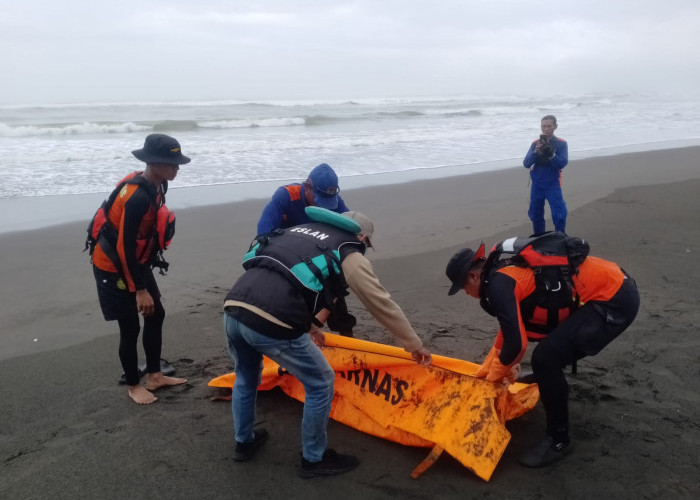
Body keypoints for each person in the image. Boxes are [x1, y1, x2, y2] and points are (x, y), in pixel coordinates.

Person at [223, 211, 432, 478]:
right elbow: (380, 302)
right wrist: (413, 344)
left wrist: (311, 327)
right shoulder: (349, 252)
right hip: (271, 321)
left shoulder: (298, 231)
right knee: (320, 383)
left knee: (246, 376)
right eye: (366, 246)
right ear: (363, 238)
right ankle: (314, 458)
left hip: (233, 309)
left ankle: (244, 442)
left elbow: (290, 280)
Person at [445, 242, 639, 467]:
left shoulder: (498, 285)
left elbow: (516, 346)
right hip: (614, 285)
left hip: (614, 300)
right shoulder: (500, 271)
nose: (466, 294)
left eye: (462, 287)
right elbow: (510, 328)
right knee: (546, 353)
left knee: (545, 359)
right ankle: (547, 379)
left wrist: (493, 379)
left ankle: (559, 440)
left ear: (474, 276)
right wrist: (489, 365)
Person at [91, 133, 189, 405]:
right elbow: (123, 247)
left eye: (177, 162)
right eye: (172, 163)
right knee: (130, 326)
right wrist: (140, 290)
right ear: (154, 163)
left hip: (135, 262)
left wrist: (142, 283)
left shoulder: (156, 185)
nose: (177, 167)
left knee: (156, 314)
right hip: (112, 267)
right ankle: (134, 386)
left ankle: (155, 375)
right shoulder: (136, 197)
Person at [257, 163, 355, 336]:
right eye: (319, 200)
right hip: (288, 253)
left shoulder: (336, 201)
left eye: (328, 203)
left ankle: (346, 333)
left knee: (336, 280)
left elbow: (351, 228)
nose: (324, 207)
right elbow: (263, 232)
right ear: (307, 186)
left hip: (317, 252)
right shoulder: (287, 195)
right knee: (290, 298)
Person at [523, 115, 569, 235]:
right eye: (544, 126)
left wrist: (550, 154)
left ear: (555, 127)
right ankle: (539, 238)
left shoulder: (561, 144)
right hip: (537, 185)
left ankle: (560, 237)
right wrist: (535, 152)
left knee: (559, 214)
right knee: (535, 213)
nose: (546, 129)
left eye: (549, 126)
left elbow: (562, 164)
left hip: (553, 184)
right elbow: (526, 163)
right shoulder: (535, 144)